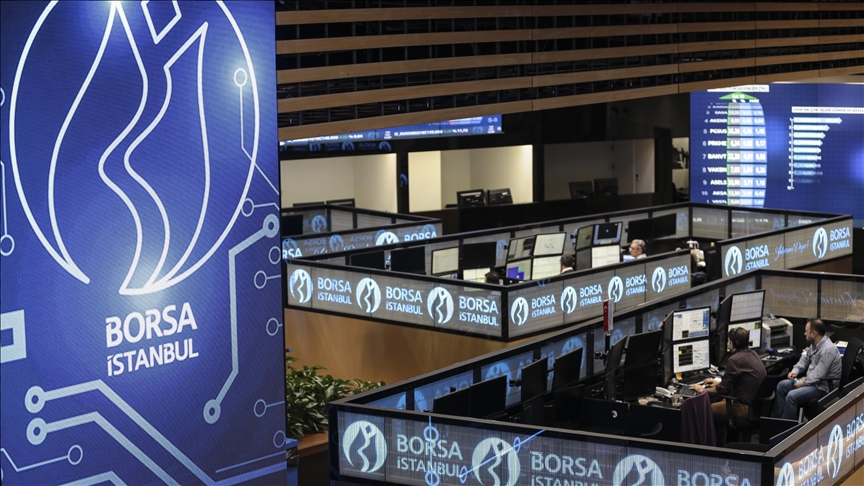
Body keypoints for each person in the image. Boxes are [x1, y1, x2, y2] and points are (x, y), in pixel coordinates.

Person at [689, 327, 766, 444]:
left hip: (744, 407)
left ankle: (712, 446)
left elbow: (722, 390)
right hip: (755, 406)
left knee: (706, 408)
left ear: (731, 343)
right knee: (714, 400)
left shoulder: (734, 360)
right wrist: (719, 382)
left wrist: (702, 390)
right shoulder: (753, 354)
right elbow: (739, 382)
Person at [772, 318, 842, 420]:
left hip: (823, 387)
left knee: (791, 396)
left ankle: (786, 427)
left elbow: (819, 375)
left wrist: (803, 382)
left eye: (806, 331)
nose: (804, 333)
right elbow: (804, 360)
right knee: (781, 386)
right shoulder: (815, 345)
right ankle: (776, 421)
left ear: (814, 333)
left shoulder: (828, 350)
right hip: (812, 382)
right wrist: (795, 371)